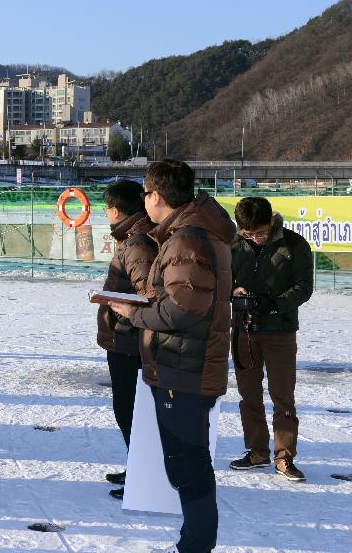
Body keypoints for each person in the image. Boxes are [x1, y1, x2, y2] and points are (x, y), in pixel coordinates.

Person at [108, 160, 234, 553]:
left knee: (187, 465)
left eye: (145, 193)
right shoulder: (187, 234)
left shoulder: (186, 240)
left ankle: (195, 545)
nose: (144, 200)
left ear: (156, 196)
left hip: (185, 368)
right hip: (185, 364)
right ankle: (193, 542)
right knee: (187, 463)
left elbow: (182, 309)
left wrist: (133, 313)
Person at [228, 197, 312, 482]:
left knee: (283, 397)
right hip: (243, 329)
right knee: (248, 395)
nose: (256, 239)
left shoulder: (294, 245)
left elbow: (304, 287)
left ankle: (284, 456)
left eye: (261, 233)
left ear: (271, 222)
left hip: (280, 331)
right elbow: (221, 279)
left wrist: (274, 304)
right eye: (248, 234)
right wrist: (234, 291)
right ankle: (257, 451)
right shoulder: (233, 245)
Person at [95, 180, 157, 500]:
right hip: (126, 337)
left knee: (130, 409)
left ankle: (144, 474)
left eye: (106, 209)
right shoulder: (134, 238)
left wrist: (120, 312)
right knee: (128, 408)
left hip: (131, 340)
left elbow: (149, 295)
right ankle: (138, 466)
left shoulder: (136, 244)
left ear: (116, 210)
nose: (106, 214)